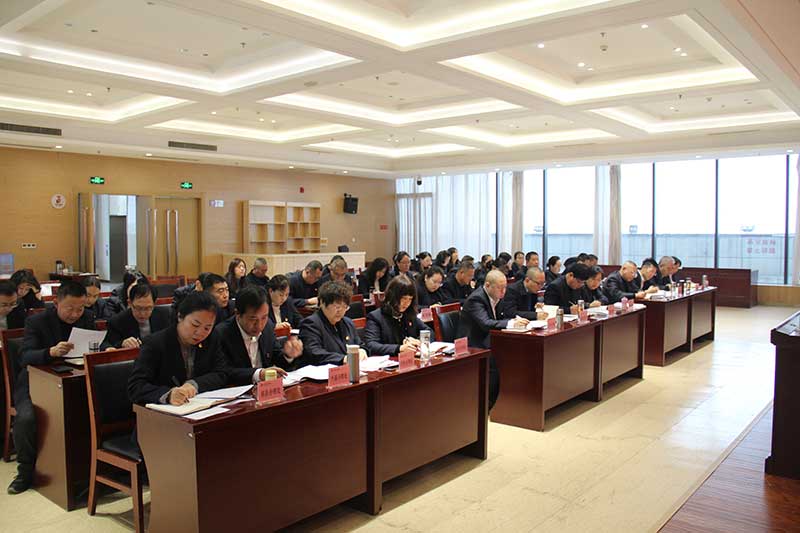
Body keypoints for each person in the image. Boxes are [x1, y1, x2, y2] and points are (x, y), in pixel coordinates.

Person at [9, 281, 95, 494]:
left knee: (91, 413)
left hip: (73, 380)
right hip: (35, 382)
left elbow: (96, 344)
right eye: (69, 308)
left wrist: (106, 348)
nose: (75, 314)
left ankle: (84, 471)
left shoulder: (87, 318)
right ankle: (25, 471)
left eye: (80, 309)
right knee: (26, 418)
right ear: (56, 303)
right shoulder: (36, 321)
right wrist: (50, 352)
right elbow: (25, 356)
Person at [127, 291, 229, 407]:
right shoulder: (155, 343)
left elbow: (222, 373)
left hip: (200, 407)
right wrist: (168, 394)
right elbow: (136, 386)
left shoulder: (212, 338)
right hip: (162, 412)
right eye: (195, 325)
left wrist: (194, 384)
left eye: (207, 328)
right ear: (180, 316)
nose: (200, 333)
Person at [461, 270, 529, 410]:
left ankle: (511, 399)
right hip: (473, 342)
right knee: (498, 358)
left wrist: (515, 320)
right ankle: (488, 404)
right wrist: (510, 323)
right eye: (500, 288)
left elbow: (503, 316)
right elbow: (485, 323)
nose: (503, 291)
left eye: (505, 287)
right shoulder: (476, 299)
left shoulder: (497, 296)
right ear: (487, 285)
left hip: (489, 338)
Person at [215, 286, 304, 385]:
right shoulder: (221, 333)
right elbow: (224, 372)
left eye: (264, 317)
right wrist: (258, 374)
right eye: (253, 319)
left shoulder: (268, 326)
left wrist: (288, 355)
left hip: (266, 389)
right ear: (238, 314)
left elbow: (277, 357)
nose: (259, 325)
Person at [298, 281, 367, 366]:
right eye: (337, 307)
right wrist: (343, 359)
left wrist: (362, 350)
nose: (341, 311)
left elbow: (359, 344)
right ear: (322, 303)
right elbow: (314, 352)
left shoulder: (348, 323)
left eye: (345, 307)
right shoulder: (310, 324)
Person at [363, 276, 431, 356]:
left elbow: (428, 331)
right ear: (393, 297)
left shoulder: (409, 314)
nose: (407, 303)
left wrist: (419, 341)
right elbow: (371, 345)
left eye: (410, 299)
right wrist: (399, 348)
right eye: (404, 298)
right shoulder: (375, 317)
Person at [101, 283, 170, 349]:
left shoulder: (166, 315)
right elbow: (105, 344)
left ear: (154, 304)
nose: (142, 314)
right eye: (138, 308)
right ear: (130, 303)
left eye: (147, 308)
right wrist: (122, 343)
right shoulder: (117, 321)